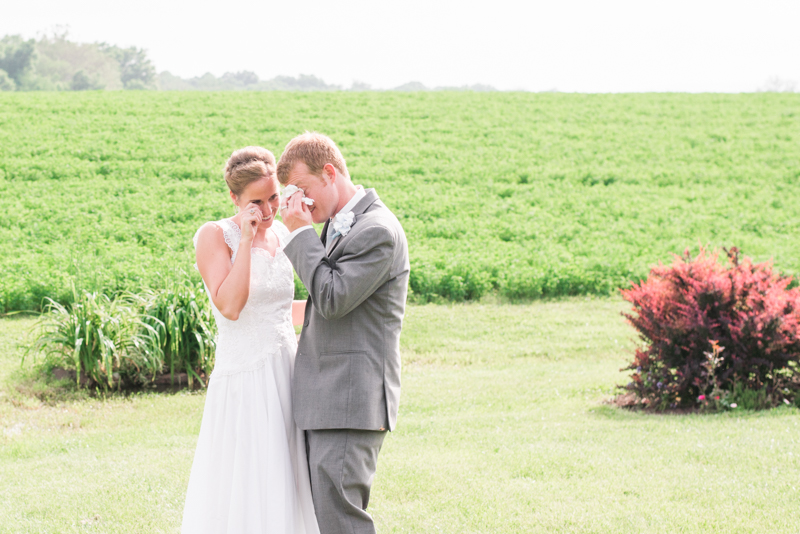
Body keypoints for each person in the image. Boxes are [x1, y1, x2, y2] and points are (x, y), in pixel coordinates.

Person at [182, 146, 319, 534]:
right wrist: (245, 239)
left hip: (287, 367)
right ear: (234, 199)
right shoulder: (214, 235)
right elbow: (231, 305)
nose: (270, 209)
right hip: (245, 374)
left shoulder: (281, 231)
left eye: (274, 195)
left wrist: (335, 309)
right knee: (251, 470)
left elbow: (278, 307)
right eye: (257, 202)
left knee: (288, 470)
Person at [278, 132, 410, 534]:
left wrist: (299, 233)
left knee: (341, 522)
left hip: (351, 399)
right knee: (325, 518)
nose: (299, 201)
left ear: (330, 173)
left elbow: (332, 298)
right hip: (328, 398)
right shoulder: (338, 223)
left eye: (303, 188)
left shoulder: (378, 230)